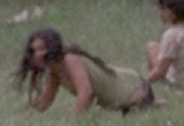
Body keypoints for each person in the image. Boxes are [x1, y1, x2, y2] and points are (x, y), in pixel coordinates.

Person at [16, 28, 155, 115]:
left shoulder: (70, 60)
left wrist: (73, 120)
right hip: (120, 102)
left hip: (136, 90)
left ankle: (152, 105)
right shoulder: (55, 70)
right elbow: (47, 100)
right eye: (34, 50)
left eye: (42, 49)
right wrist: (30, 114)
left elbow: (86, 92)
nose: (37, 54)